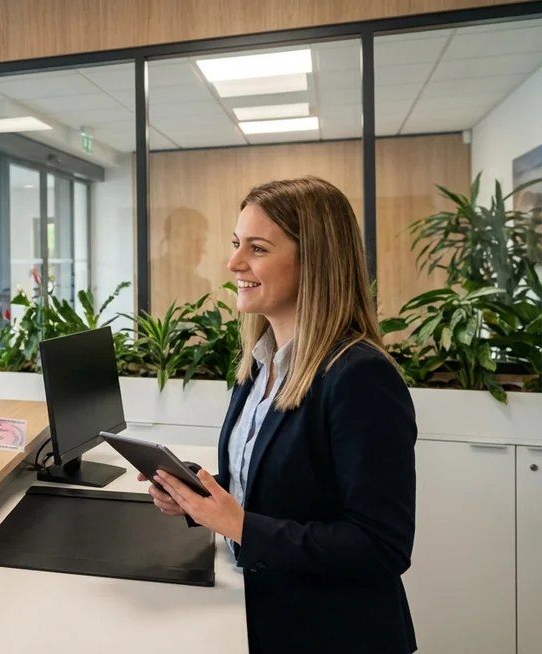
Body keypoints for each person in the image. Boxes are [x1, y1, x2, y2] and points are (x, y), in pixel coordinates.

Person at [140, 177, 417, 653]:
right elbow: (275, 485)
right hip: (258, 612)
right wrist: (200, 499)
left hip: (329, 634)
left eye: (258, 248)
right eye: (235, 244)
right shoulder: (259, 363)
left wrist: (240, 526)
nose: (234, 263)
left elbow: (381, 545)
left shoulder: (361, 377)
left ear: (315, 261)